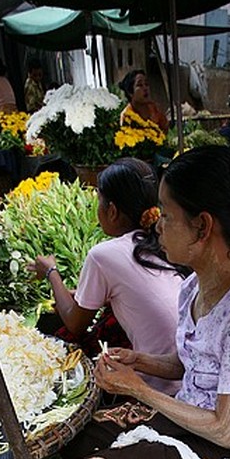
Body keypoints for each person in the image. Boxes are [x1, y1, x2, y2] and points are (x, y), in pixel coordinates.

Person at [62, 146, 230, 459]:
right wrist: (140, 361)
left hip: (228, 449)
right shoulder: (193, 286)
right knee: (77, 436)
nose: (157, 225)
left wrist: (139, 390)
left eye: (167, 215)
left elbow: (228, 430)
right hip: (188, 415)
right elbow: (190, 365)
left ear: (202, 226)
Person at [31, 158, 185, 395]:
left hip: (161, 385)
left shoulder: (103, 255)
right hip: (188, 372)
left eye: (99, 201)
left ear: (112, 211)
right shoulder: (162, 242)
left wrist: (51, 272)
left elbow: (75, 323)